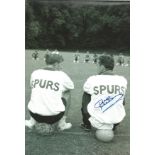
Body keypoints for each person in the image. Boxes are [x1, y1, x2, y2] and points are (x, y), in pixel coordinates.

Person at [25, 52, 74, 134]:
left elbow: (31, 86)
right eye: (60, 64)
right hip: (54, 117)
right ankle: (62, 124)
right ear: (55, 64)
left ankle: (31, 122)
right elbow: (71, 86)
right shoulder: (61, 74)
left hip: (34, 114)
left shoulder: (35, 73)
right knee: (67, 92)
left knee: (36, 89)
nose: (61, 66)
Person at [80, 54, 127, 138]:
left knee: (87, 94)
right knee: (120, 96)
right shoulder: (122, 80)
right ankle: (113, 125)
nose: (97, 67)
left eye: (98, 65)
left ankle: (87, 124)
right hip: (117, 120)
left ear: (102, 66)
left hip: (94, 119)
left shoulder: (92, 79)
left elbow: (85, 101)